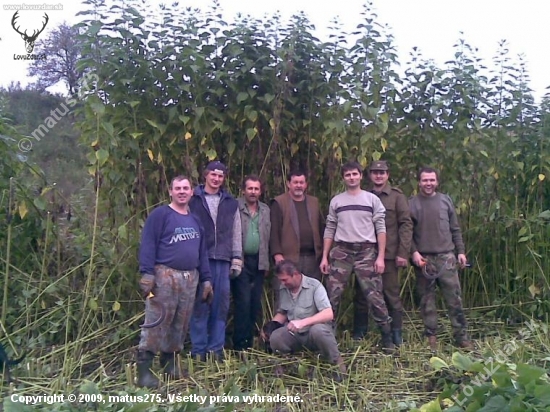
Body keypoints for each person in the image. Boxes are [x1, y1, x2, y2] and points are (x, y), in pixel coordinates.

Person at [137, 175, 212, 388]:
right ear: (170, 191)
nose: (181, 191)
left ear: (191, 192)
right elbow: (148, 244)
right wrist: (147, 273)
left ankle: (169, 364)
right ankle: (144, 371)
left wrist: (206, 280)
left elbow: (202, 252)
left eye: (185, 188)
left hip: (190, 277)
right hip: (164, 275)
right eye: (177, 188)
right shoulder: (160, 215)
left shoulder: (195, 220)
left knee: (181, 322)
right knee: (158, 319)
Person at [320, 161, 395, 351]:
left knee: (375, 296)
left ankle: (387, 338)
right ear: (343, 178)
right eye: (348, 175)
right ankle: (327, 338)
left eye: (355, 174)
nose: (352, 177)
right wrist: (325, 257)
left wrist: (380, 257)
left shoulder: (372, 200)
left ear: (361, 176)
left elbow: (381, 228)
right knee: (332, 296)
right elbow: (330, 228)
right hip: (342, 251)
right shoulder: (337, 201)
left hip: (366, 252)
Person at [409, 167, 473, 351]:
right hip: (424, 260)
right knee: (426, 301)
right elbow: (407, 233)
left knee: (454, 299)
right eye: (424, 180)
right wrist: (414, 253)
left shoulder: (445, 201)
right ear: (419, 182)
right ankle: (431, 336)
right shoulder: (412, 203)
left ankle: (461, 336)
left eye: (432, 180)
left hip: (447, 257)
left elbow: (455, 229)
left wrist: (460, 251)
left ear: (437, 182)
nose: (428, 184)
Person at [352, 160, 413, 345]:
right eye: (375, 172)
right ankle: (359, 332)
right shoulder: (363, 195)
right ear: (369, 175)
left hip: (388, 255)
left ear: (388, 175)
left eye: (382, 172)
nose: (378, 175)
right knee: (361, 295)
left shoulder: (396, 197)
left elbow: (406, 224)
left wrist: (403, 252)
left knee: (391, 294)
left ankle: (396, 333)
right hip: (364, 254)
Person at [189, 161, 242, 361]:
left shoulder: (230, 202)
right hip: (200, 259)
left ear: (224, 178)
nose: (216, 179)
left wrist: (236, 258)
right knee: (200, 304)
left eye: (220, 176)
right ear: (206, 175)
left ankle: (216, 349)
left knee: (220, 306)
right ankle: (198, 350)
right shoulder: (193, 199)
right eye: (213, 175)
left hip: (223, 259)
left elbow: (236, 231)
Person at [263, 260, 346, 377]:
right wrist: (270, 327)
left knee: (318, 331)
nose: (282, 283)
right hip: (295, 334)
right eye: (280, 280)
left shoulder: (314, 286)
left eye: (285, 279)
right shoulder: (284, 289)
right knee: (276, 336)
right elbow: (283, 312)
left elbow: (328, 313)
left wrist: (303, 322)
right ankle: (287, 364)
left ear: (295, 274)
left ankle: (336, 364)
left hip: (314, 332)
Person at [231, 175, 271, 351]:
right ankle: (240, 344)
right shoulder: (235, 208)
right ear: (243, 190)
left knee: (255, 303)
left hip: (260, 261)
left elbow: (269, 236)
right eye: (250, 188)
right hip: (241, 260)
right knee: (243, 302)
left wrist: (267, 262)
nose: (253, 192)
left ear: (260, 191)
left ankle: (250, 341)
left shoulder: (266, 210)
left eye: (256, 189)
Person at [269, 170, 324, 280]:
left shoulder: (314, 202)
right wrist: (277, 254)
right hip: (288, 258)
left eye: (301, 182)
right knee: (288, 293)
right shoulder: (279, 202)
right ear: (288, 184)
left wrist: (324, 255)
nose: (299, 185)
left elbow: (322, 228)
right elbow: (273, 231)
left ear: (306, 184)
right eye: (295, 182)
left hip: (313, 259)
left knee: (310, 292)